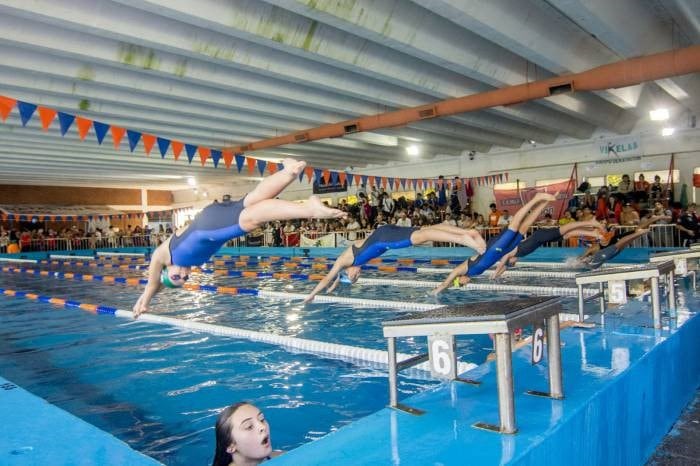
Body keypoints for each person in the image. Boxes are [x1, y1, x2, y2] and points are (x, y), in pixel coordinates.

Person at [133, 159, 346, 317]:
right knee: (253, 199)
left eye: (177, 277)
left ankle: (309, 208)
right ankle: (289, 172)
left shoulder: (163, 256)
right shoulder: (185, 262)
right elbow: (160, 283)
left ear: (165, 271)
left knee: (251, 219)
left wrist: (144, 301)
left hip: (209, 226)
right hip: (211, 218)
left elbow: (153, 283)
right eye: (185, 279)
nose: (183, 274)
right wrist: (154, 292)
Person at [303, 224, 487, 302]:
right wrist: (334, 287)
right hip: (384, 232)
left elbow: (328, 278)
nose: (357, 275)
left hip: (385, 239)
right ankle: (469, 232)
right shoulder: (350, 262)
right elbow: (335, 279)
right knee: (425, 230)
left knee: (425, 235)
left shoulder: (344, 260)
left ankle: (466, 239)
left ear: (347, 271)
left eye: (354, 277)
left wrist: (312, 295)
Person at [431, 192, 557, 294]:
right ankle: (543, 203)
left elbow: (448, 279)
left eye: (462, 283)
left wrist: (440, 288)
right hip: (503, 251)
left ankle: (535, 199)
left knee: (514, 225)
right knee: (524, 227)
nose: (466, 283)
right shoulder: (471, 273)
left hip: (494, 247)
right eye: (464, 285)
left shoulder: (462, 269)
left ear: (459, 279)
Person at [491, 219, 605, 278]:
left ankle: (590, 222)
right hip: (543, 239)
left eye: (511, 263)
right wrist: (498, 274)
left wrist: (495, 273)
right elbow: (504, 267)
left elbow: (502, 264)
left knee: (565, 229)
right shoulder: (515, 255)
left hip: (540, 236)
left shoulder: (509, 252)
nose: (514, 263)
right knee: (567, 235)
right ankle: (593, 232)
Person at [580, 215, 668, 269]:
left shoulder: (594, 248)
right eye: (603, 222)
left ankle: (652, 220)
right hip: (612, 244)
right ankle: (654, 219)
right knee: (637, 230)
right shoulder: (596, 250)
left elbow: (582, 257)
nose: (604, 223)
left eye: (604, 222)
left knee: (635, 232)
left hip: (613, 242)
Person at [212, 402, 282, 466]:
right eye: (249, 427)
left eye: (261, 419)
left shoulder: (281, 457)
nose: (262, 426)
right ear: (230, 446)